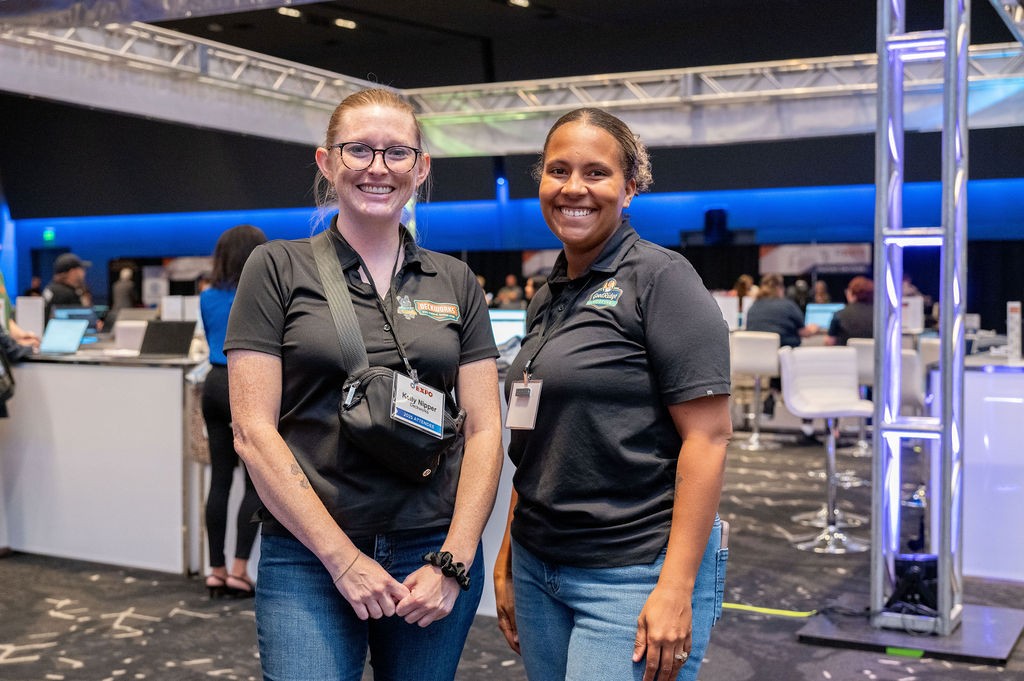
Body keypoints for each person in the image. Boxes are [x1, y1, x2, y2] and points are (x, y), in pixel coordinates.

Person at [224, 88, 503, 680]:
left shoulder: (455, 280)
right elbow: (251, 430)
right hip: (309, 554)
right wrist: (341, 559)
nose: (378, 167)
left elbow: (484, 428)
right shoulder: (275, 268)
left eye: (397, 152)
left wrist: (455, 558)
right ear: (327, 162)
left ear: (421, 168)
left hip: (432, 552)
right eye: (359, 150)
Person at [494, 108, 731, 681]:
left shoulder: (661, 279)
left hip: (632, 571)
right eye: (558, 170)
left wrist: (675, 587)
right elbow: (538, 441)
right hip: (537, 563)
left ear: (629, 189)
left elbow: (708, 438)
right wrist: (506, 554)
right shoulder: (548, 296)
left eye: (596, 173)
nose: (573, 187)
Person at [200, 225, 267, 599]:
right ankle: (241, 571)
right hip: (247, 385)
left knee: (220, 480)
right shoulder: (260, 294)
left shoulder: (207, 296)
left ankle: (216, 570)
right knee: (256, 482)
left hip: (212, 384)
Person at [745, 273, 819, 348]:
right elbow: (804, 332)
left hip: (756, 351)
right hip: (783, 351)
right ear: (780, 288)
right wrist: (813, 329)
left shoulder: (753, 307)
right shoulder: (788, 305)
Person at [826, 275, 874, 346]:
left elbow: (830, 342)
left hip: (845, 353)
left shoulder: (839, 314)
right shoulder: (880, 316)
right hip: (873, 353)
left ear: (852, 294)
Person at [42, 252, 91, 320]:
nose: (84, 273)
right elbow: (81, 320)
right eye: (81, 269)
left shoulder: (51, 288)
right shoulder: (67, 294)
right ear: (73, 272)